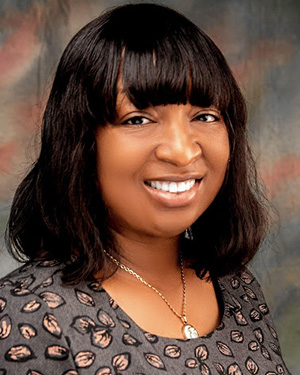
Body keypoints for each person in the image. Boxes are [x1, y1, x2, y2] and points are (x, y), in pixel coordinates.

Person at [0, 3, 291, 374]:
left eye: (205, 116)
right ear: (79, 142)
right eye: (138, 119)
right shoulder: (30, 316)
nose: (183, 151)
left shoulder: (236, 287)